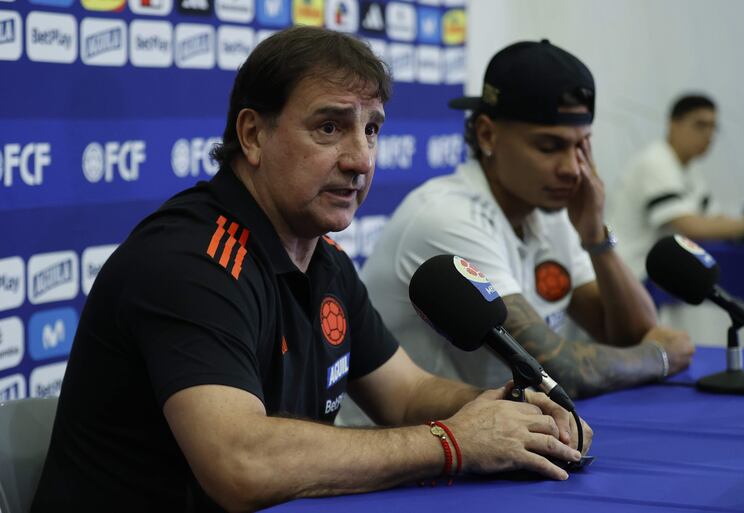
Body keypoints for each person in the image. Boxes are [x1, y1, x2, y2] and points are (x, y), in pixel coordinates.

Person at [31, 28, 592, 513]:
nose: (360, 159)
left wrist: (513, 417)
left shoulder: (322, 258)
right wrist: (453, 442)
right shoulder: (189, 261)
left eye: (371, 129)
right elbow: (240, 462)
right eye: (329, 128)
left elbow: (405, 393)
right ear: (253, 135)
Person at [343, 40, 694, 416]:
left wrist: (596, 239)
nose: (572, 169)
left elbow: (630, 333)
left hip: (492, 430)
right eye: (549, 147)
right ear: (487, 135)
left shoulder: (549, 211)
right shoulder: (447, 217)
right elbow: (555, 372)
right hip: (406, 441)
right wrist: (660, 357)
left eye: (581, 147)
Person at [611, 94, 744, 279]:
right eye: (700, 125)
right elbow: (691, 227)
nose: (708, 135)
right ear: (673, 125)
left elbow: (712, 219)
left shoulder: (689, 168)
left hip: (658, 273)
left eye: (713, 127)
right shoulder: (656, 162)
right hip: (633, 274)